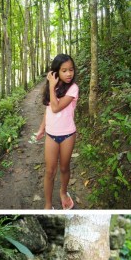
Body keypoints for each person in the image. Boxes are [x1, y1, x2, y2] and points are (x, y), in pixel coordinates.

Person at [35, 53, 78, 210]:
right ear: (56, 72)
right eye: (64, 70)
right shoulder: (53, 87)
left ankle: (63, 192)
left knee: (64, 167)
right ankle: (48, 205)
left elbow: (56, 107)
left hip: (67, 135)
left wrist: (52, 86)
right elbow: (49, 110)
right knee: (50, 171)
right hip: (51, 136)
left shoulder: (73, 89)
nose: (68, 74)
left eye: (71, 70)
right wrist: (41, 128)